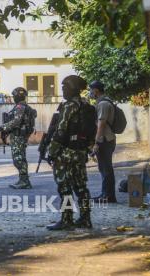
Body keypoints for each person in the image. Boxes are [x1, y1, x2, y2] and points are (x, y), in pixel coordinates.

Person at [46, 75, 92, 230]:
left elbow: (61, 131)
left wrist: (51, 152)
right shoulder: (85, 104)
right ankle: (85, 219)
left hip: (65, 153)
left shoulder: (69, 106)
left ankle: (67, 219)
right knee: (81, 187)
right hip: (80, 152)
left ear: (72, 88)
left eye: (65, 87)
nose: (63, 89)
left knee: (64, 187)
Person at [0, 87, 32, 189]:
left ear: (16, 96)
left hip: (18, 136)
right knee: (20, 158)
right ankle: (23, 180)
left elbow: (16, 122)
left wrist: (2, 127)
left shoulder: (20, 107)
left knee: (18, 159)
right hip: (19, 135)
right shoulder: (23, 106)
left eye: (14, 96)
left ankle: (24, 181)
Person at [89, 80, 117, 203]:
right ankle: (105, 194)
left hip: (105, 140)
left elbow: (101, 124)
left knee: (106, 168)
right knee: (104, 168)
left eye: (91, 90)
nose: (90, 92)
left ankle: (108, 196)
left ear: (96, 90)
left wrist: (96, 142)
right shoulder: (102, 102)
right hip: (106, 139)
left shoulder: (103, 104)